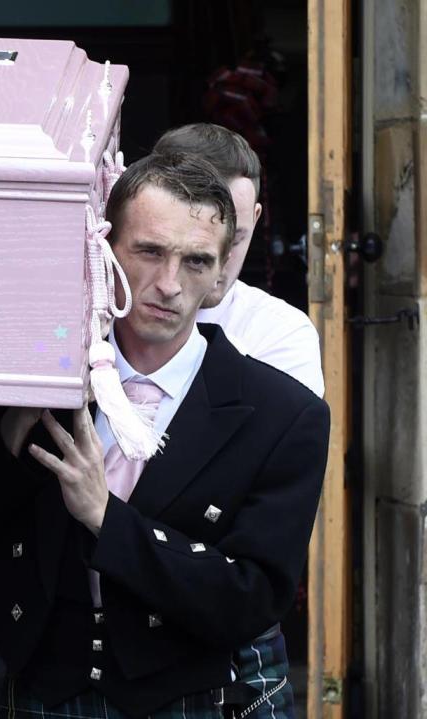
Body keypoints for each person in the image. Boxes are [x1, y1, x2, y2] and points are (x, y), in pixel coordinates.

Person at [0, 152, 331, 718]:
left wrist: (107, 517)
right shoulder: (31, 384)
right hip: (44, 690)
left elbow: (252, 599)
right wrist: (7, 447)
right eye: (150, 251)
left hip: (196, 695)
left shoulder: (284, 414)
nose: (168, 285)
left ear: (221, 270)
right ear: (104, 248)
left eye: (196, 261)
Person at [153, 122, 322, 715]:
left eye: (239, 236)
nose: (220, 262)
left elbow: (254, 493)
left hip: (225, 636)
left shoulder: (282, 332)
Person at [154, 123, 324, 397]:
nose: (217, 262)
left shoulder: (281, 334)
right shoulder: (105, 316)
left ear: (256, 218)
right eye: (199, 246)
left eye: (234, 240)